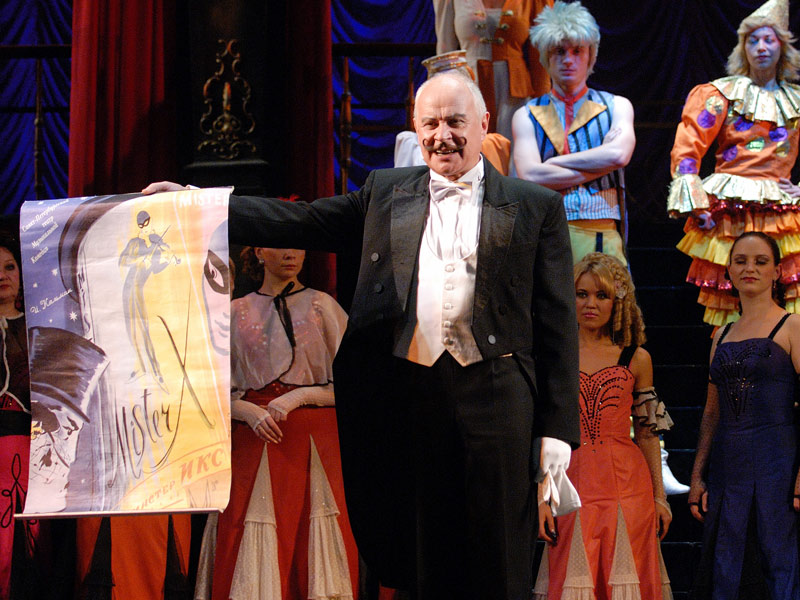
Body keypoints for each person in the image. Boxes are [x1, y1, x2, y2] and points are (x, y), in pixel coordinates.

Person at [144, 70, 579, 600]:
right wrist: (197, 205)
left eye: (455, 122)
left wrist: (557, 430)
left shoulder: (535, 206)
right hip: (411, 398)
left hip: (498, 399)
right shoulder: (386, 192)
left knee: (499, 557)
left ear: (483, 123)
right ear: (415, 127)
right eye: (431, 123)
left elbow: (558, 325)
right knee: (420, 557)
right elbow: (299, 220)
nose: (442, 135)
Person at [199, 246, 356, 600]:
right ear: (259, 252)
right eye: (280, 245)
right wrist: (245, 410)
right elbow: (204, 392)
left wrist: (299, 397)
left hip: (315, 441)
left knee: (311, 535)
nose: (291, 254)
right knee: (247, 532)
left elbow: (356, 386)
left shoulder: (322, 306)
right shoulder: (234, 312)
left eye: (297, 245)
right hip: (255, 440)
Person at [534, 253, 673, 599]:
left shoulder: (636, 358)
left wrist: (659, 497)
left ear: (617, 301)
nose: (590, 304)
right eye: (582, 294)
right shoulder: (552, 356)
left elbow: (647, 433)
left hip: (627, 486)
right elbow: (541, 432)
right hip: (570, 481)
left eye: (602, 295)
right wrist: (541, 499)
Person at [667, 0, 800, 326]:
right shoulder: (723, 93)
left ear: (782, 46)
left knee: (787, 293)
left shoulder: (796, 99)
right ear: (743, 48)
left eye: (769, 40)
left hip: (780, 210)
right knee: (729, 296)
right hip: (729, 209)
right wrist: (695, 202)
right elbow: (689, 142)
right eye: (753, 40)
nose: (761, 47)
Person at [687, 231, 800, 599]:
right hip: (728, 468)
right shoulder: (720, 335)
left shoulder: (792, 326)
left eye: (760, 261)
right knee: (726, 569)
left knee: (776, 564)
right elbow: (711, 413)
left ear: (777, 271)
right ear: (730, 271)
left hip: (778, 466)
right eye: (741, 261)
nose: (750, 268)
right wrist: (697, 476)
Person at [512, 0, 634, 266]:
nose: (568, 60)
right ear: (546, 56)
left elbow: (618, 155)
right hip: (547, 233)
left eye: (577, 51)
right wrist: (600, 161)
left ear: (591, 55)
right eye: (559, 51)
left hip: (601, 232)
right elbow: (530, 175)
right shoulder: (526, 114)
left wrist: (554, 164)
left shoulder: (616, 106)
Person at [0, 241, 50, 598]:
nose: (1, 276)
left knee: (26, 543)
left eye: (9, 267)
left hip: (28, 449)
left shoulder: (39, 329)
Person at [433, 0, 552, 139]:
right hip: (468, 92)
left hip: (515, 97)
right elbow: (445, 55)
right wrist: (441, 105)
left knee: (514, 148)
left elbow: (540, 61)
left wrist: (543, 111)